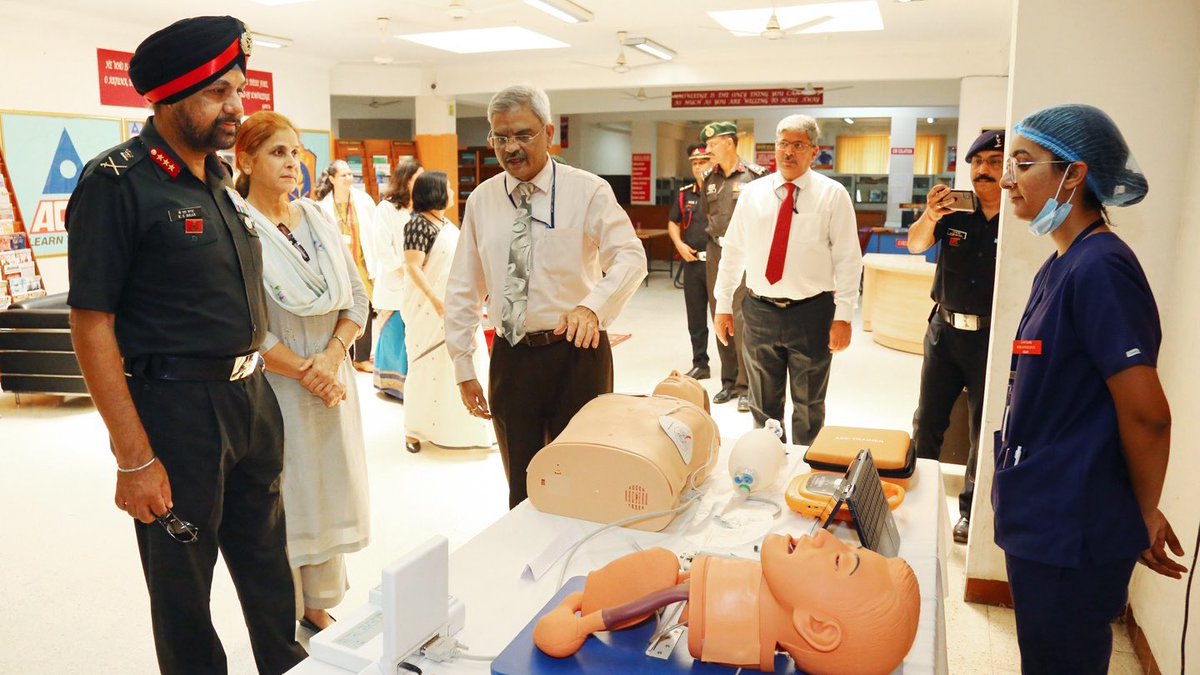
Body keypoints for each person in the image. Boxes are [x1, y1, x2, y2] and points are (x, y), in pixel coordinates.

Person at [64, 16, 307, 673]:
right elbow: (90, 323)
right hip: (175, 412)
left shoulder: (220, 179)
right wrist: (133, 457)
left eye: (239, 88)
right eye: (217, 93)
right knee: (184, 596)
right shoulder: (117, 183)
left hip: (251, 398)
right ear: (169, 98)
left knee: (269, 571)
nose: (237, 107)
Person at [996, 104, 1186, 673]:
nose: (1007, 178)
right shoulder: (1062, 262)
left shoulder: (1101, 267)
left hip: (1069, 530)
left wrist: (1142, 514)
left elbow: (1148, 414)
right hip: (1044, 513)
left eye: (1023, 164)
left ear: (1072, 176)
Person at [445, 84, 647, 509]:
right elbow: (463, 286)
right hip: (512, 357)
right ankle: (532, 569)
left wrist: (593, 306)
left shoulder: (587, 191)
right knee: (522, 487)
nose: (511, 147)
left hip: (577, 354)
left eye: (523, 134)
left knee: (586, 480)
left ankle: (584, 569)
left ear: (549, 132)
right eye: (501, 137)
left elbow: (631, 258)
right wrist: (464, 366)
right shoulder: (482, 200)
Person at [235, 111, 371, 635]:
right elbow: (246, 322)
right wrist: (306, 372)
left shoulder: (317, 218)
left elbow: (356, 297)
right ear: (244, 160)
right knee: (287, 495)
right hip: (277, 386)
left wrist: (333, 358)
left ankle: (317, 604)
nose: (292, 163)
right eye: (277, 152)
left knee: (330, 487)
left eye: (295, 153)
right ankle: (283, 609)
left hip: (331, 379)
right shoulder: (240, 228)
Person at [533, 530, 920, 675]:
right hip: (672, 601)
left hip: (611, 608)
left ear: (816, 628)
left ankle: (587, 600)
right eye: (847, 545)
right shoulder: (759, 614)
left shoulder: (732, 611)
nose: (825, 537)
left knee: (660, 570)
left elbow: (669, 595)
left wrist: (586, 622)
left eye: (840, 561)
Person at [713, 114, 862, 446]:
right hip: (759, 311)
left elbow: (848, 259)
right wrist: (723, 305)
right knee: (763, 406)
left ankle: (804, 475)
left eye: (798, 145)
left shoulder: (832, 195)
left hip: (811, 313)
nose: (789, 153)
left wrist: (843, 317)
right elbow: (733, 251)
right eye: (783, 144)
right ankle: (768, 467)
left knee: (809, 406)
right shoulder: (753, 193)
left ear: (814, 151)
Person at [906, 130, 1004, 544]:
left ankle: (968, 512)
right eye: (977, 162)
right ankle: (915, 503)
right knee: (928, 421)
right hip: (944, 333)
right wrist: (929, 215)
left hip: (991, 340)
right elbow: (914, 245)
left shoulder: (1019, 218)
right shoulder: (953, 213)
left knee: (983, 432)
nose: (983, 170)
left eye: (994, 162)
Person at [399, 171, 493, 452]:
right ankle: (414, 430)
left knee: (463, 363)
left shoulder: (444, 224)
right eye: (448, 187)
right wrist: (435, 300)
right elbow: (413, 267)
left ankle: (467, 429)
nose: (452, 191)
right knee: (425, 367)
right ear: (435, 192)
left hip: (456, 307)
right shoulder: (417, 225)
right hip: (429, 311)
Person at [700, 120, 768, 411]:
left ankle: (746, 385)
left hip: (744, 253)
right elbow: (708, 214)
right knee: (718, 313)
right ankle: (727, 382)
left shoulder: (756, 176)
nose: (708, 150)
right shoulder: (709, 178)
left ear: (729, 142)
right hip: (716, 250)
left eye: (713, 144)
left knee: (740, 318)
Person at [317, 159, 378, 373]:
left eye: (350, 174)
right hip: (337, 266)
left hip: (361, 263)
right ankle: (344, 356)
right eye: (343, 175)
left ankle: (361, 357)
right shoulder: (323, 206)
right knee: (341, 311)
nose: (349, 178)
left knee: (365, 309)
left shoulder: (364, 201)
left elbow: (374, 233)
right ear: (332, 179)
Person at [373, 159, 424, 399]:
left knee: (413, 337)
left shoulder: (422, 208)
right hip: (395, 284)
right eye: (417, 177)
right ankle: (392, 386)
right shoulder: (386, 208)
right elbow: (382, 247)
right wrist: (405, 268)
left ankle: (412, 385)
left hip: (417, 283)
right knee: (394, 337)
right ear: (406, 180)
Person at [666, 144, 714, 380]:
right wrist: (679, 244)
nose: (698, 167)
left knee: (725, 317)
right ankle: (700, 363)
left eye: (703, 162)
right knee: (695, 317)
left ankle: (735, 372)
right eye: (694, 163)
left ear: (712, 163)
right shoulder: (685, 193)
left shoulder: (722, 190)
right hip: (693, 263)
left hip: (719, 264)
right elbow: (673, 222)